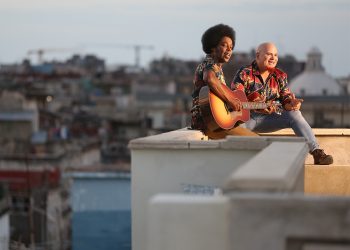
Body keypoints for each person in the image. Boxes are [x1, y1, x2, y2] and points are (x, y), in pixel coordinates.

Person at [231, 42, 333, 165]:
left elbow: (285, 100)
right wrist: (261, 106)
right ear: (258, 55)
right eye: (269, 54)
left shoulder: (280, 75)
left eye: (275, 55)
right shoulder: (244, 73)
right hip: (246, 119)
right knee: (235, 134)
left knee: (295, 114)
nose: (273, 58)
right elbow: (236, 103)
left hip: (269, 119)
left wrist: (292, 104)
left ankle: (317, 153)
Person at [190, 24, 257, 139]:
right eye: (224, 45)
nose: (229, 50)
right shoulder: (209, 63)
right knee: (257, 141)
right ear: (212, 47)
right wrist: (231, 100)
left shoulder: (218, 68)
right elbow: (209, 78)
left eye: (231, 47)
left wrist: (259, 105)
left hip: (215, 124)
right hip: (208, 124)